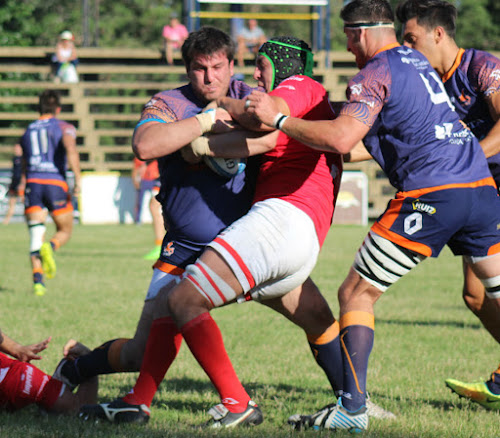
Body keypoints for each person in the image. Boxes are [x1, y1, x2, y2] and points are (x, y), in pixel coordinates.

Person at [245, 0, 500, 432]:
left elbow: (343, 136)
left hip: (434, 192)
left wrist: (281, 119)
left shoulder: (376, 71)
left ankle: (351, 408)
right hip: (482, 190)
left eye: (347, 36)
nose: (347, 47)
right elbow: (363, 141)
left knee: (355, 293)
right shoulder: (417, 64)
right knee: (488, 293)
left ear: (362, 32)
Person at [78, 35, 354, 428]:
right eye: (199, 69)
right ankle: (86, 373)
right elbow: (146, 144)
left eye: (218, 67)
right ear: (187, 68)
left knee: (315, 315)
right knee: (143, 348)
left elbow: (275, 133)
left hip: (250, 240)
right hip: (190, 245)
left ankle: (352, 402)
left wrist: (208, 143)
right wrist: (203, 121)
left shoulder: (252, 95)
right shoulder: (171, 103)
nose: (209, 77)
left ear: (232, 63)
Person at [395, 0, 500, 411]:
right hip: (481, 192)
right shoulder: (426, 84)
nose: (406, 48)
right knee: (475, 296)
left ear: (438, 34)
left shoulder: (481, 67)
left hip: (483, 183)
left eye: (411, 38)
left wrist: (465, 160)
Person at [20, 89, 81, 296]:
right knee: (64, 230)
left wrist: (21, 185)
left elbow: (23, 161)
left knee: (36, 234)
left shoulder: (28, 130)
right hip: (55, 182)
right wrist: (77, 179)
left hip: (33, 183)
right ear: (58, 108)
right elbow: (71, 149)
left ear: (39, 107)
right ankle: (52, 246)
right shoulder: (64, 126)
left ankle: (38, 282)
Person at [0, 327, 97, 414]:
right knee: (78, 408)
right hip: (10, 377)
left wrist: (16, 349)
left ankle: (83, 364)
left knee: (78, 408)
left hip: (11, 375)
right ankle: (84, 364)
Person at [131, 157, 164, 260]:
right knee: (155, 205)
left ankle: (161, 246)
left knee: (155, 205)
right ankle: (160, 245)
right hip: (166, 170)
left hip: (171, 168)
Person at [2, 144, 24, 225]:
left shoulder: (24, 159)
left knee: (24, 202)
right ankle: (6, 221)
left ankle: (28, 219)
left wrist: (22, 183)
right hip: (14, 183)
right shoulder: (14, 159)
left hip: (21, 183)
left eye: (18, 148)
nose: (16, 150)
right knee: (11, 203)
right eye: (15, 148)